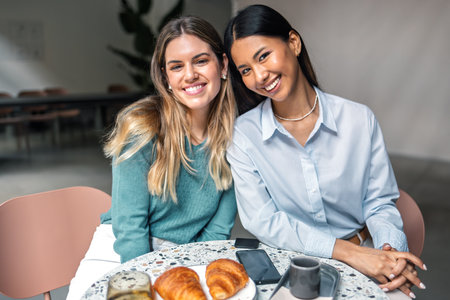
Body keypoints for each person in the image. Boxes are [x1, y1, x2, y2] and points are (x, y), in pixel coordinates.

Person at [224, 4, 426, 299]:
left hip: (368, 256)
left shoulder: (359, 119)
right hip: (294, 263)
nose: (260, 75)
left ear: (293, 42)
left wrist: (389, 255)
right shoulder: (244, 135)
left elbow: (380, 202)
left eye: (263, 56)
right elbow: (264, 221)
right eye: (246, 70)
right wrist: (348, 253)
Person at [66, 16, 237, 299]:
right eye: (177, 66)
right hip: (122, 251)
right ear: (165, 77)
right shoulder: (142, 127)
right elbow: (130, 227)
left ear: (223, 66)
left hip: (186, 255)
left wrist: (189, 269)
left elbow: (218, 230)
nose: (190, 74)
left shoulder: (236, 138)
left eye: (201, 61)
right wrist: (145, 282)